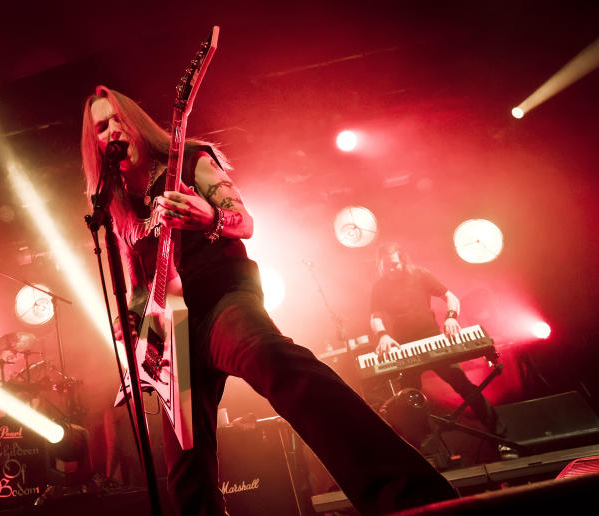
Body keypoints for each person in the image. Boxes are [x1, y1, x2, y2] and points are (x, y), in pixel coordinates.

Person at [81, 85, 458, 515]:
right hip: (174, 336)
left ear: (134, 122)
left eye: (116, 119)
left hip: (223, 298)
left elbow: (246, 222)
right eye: (101, 126)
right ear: (94, 142)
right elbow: (136, 289)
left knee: (273, 360)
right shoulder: (113, 206)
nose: (112, 130)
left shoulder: (190, 159)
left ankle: (410, 497)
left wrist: (211, 216)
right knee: (186, 470)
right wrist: (134, 331)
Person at [370, 243, 505, 438]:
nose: (390, 269)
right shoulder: (380, 287)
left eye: (394, 264)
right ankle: (421, 451)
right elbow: (375, 315)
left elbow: (450, 297)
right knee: (407, 402)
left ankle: (501, 437)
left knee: (464, 386)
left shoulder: (420, 274)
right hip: (404, 347)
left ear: (403, 260)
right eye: (385, 266)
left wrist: (450, 317)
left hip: (432, 339)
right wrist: (382, 335)